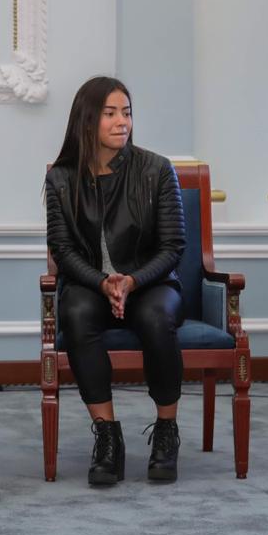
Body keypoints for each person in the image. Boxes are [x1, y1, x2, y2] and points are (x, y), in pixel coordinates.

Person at [44, 77, 186, 485]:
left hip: (150, 283)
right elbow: (64, 252)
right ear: (87, 121)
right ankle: (107, 435)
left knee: (158, 318)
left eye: (126, 112)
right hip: (91, 285)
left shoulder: (156, 170)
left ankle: (165, 432)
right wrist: (105, 282)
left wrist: (132, 281)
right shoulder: (61, 179)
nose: (121, 121)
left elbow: (174, 245)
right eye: (110, 114)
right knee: (74, 313)